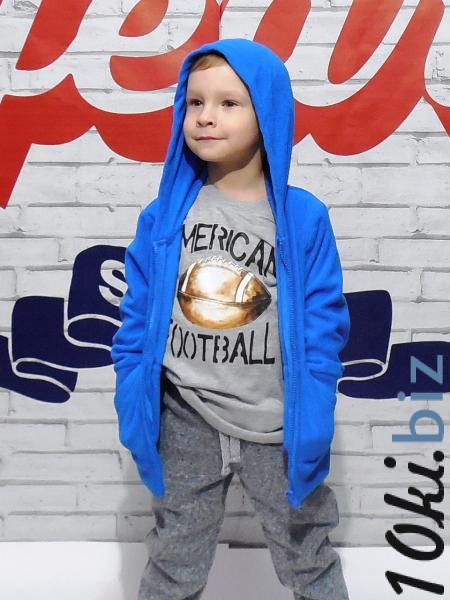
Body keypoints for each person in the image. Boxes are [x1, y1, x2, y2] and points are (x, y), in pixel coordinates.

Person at [111, 38, 351, 600]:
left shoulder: (302, 217)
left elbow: (324, 320)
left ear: (267, 112)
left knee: (307, 554)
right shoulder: (165, 215)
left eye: (228, 103)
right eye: (195, 102)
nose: (206, 117)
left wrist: (315, 405)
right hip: (185, 414)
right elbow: (137, 311)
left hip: (275, 421)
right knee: (175, 557)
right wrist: (130, 386)